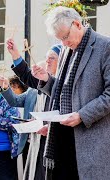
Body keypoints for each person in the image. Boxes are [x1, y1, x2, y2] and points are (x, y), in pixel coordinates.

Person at [32, 6, 110, 180]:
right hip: (63, 140)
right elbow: (64, 92)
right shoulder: (67, 51)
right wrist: (46, 80)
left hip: (92, 145)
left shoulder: (105, 46)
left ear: (77, 24)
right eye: (60, 40)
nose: (64, 43)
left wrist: (82, 115)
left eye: (65, 37)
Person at [6, 37, 62, 180]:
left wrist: (51, 126)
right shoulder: (42, 81)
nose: (48, 61)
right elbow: (26, 75)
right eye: (46, 58)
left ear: (62, 61)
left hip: (56, 147)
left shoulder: (66, 83)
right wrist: (15, 55)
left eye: (52, 58)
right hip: (37, 144)